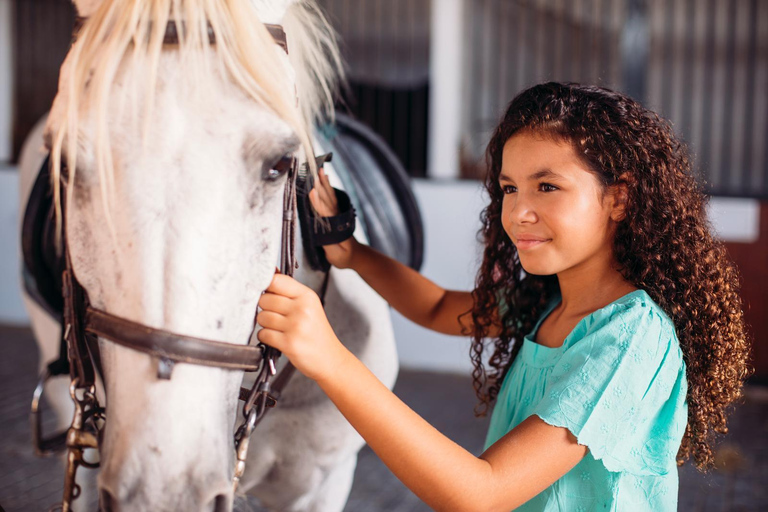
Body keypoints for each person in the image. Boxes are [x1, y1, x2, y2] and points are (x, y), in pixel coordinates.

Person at [256, 82, 751, 511]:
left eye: (547, 186)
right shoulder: (549, 302)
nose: (517, 213)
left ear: (618, 198)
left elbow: (482, 493)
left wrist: (331, 360)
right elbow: (436, 308)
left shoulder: (630, 338)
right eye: (510, 189)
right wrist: (351, 252)